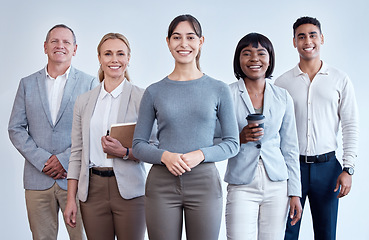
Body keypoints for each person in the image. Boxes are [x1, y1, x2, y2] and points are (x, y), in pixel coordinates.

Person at [132, 14, 239, 240]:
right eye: (177, 37)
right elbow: (139, 145)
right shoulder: (154, 91)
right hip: (161, 184)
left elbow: (232, 143)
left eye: (190, 37)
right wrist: (165, 156)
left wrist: (200, 154)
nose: (184, 44)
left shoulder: (218, 89)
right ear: (168, 42)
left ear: (201, 42)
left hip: (204, 184)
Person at [8, 24, 98, 240]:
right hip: (37, 179)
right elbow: (15, 128)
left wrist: (64, 160)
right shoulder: (27, 84)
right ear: (45, 47)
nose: (60, 46)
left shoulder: (89, 83)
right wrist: (45, 160)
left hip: (76, 178)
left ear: (75, 49)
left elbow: (92, 130)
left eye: (66, 42)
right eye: (55, 41)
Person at [275, 16, 359, 240]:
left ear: (321, 39)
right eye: (301, 36)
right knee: (286, 233)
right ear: (294, 42)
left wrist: (348, 168)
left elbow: (350, 125)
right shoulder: (282, 83)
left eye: (312, 35)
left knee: (326, 234)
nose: (307, 41)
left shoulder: (340, 79)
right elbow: (276, 131)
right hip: (292, 169)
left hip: (328, 168)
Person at [63, 33, 149, 240]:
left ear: (129, 58)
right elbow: (77, 153)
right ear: (100, 58)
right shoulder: (84, 101)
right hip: (92, 191)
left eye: (120, 54)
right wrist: (71, 199)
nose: (114, 59)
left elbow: (154, 147)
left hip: (130, 190)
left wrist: (125, 152)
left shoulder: (142, 97)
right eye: (108, 54)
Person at [224, 33, 302, 240]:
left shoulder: (282, 96)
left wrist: (295, 192)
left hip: (277, 183)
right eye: (246, 53)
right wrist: (239, 138)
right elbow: (212, 139)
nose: (254, 59)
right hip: (241, 183)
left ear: (269, 59)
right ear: (238, 60)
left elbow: (290, 148)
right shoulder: (226, 94)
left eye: (261, 53)